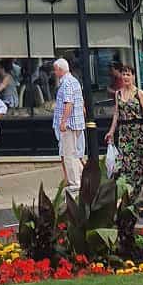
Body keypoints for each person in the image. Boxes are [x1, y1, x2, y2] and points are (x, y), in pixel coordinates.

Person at [106, 63, 143, 209]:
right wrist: (111, 131)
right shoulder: (118, 94)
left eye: (128, 74)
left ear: (134, 76)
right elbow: (117, 114)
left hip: (139, 131)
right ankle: (125, 197)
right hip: (124, 133)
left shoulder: (139, 93)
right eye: (124, 74)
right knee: (123, 165)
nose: (126, 77)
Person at [52, 57, 85, 195]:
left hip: (70, 125)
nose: (54, 72)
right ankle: (84, 178)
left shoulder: (66, 83)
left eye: (55, 70)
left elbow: (68, 103)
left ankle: (75, 183)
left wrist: (63, 122)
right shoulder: (74, 81)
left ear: (60, 69)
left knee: (68, 155)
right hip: (76, 123)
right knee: (74, 154)